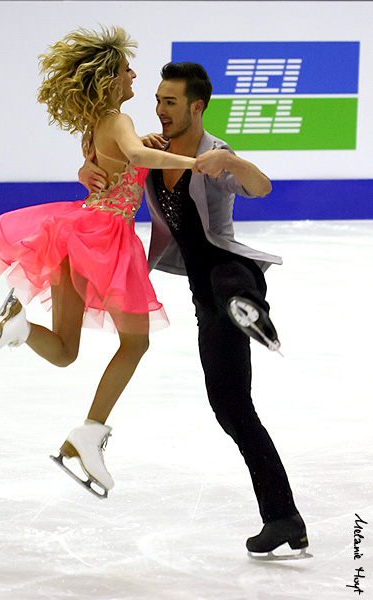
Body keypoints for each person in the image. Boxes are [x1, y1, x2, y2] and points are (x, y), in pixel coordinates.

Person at [79, 62, 308, 554]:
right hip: (203, 293)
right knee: (231, 406)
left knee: (228, 283)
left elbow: (259, 186)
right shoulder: (154, 151)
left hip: (231, 268)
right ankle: (285, 518)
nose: (159, 110)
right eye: (158, 100)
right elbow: (110, 163)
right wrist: (88, 168)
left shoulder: (214, 153)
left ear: (196, 107)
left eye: (170, 103)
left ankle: (249, 313)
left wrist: (234, 163)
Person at [0, 28, 206, 499]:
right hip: (104, 239)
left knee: (63, 350)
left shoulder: (99, 122)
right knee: (135, 344)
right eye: (126, 69)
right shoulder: (118, 117)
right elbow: (134, 155)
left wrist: (125, 152)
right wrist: (198, 163)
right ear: (109, 78)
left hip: (74, 235)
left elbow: (119, 156)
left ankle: (18, 326)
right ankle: (88, 436)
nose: (133, 73)